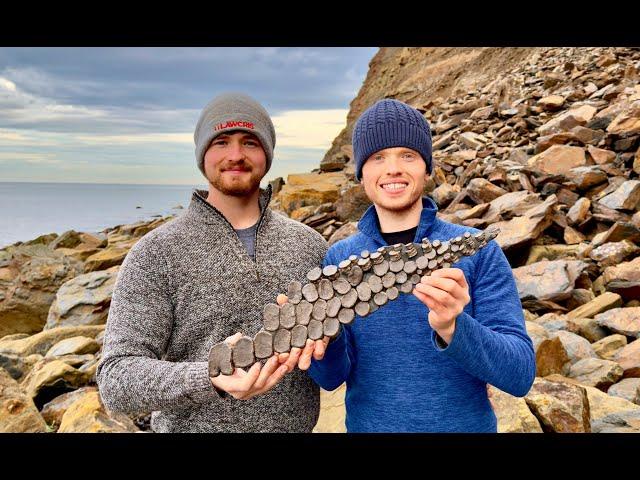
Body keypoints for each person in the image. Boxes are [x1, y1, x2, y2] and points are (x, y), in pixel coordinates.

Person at [97, 92, 329, 432]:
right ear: (202, 154)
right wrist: (210, 376)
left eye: (250, 142)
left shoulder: (310, 245)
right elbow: (116, 380)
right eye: (221, 141)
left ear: (267, 153)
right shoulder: (156, 253)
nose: (235, 155)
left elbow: (336, 358)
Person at [304, 98, 536, 432]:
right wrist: (324, 335)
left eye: (408, 155)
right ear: (361, 175)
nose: (393, 168)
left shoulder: (476, 251)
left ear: (427, 169)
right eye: (378, 157)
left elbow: (520, 375)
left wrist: (453, 327)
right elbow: (330, 379)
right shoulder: (340, 261)